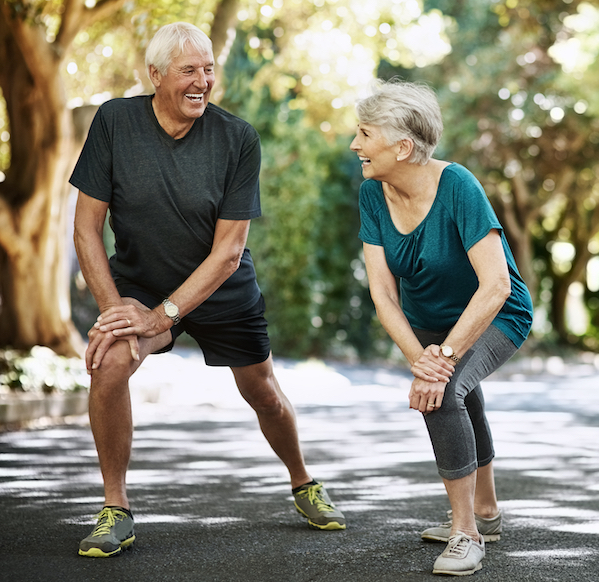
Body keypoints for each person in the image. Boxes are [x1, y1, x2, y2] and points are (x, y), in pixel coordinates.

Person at [71, 21, 345, 558]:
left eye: (209, 69)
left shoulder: (237, 138)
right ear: (154, 76)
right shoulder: (114, 121)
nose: (203, 81)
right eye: (188, 70)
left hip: (221, 287)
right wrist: (114, 313)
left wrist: (164, 315)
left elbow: (228, 252)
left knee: (262, 391)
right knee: (108, 362)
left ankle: (302, 480)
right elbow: (86, 228)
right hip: (140, 282)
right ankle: (115, 509)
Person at [350, 80, 533, 576]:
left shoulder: (458, 187)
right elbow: (383, 294)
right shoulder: (373, 193)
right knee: (456, 390)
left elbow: (495, 286)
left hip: (496, 313)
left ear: (402, 146)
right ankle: (487, 514)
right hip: (431, 327)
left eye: (365, 134)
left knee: (445, 391)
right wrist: (419, 357)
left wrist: (440, 363)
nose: (355, 145)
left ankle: (465, 532)